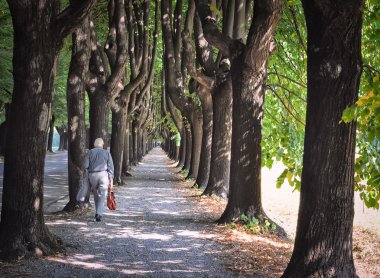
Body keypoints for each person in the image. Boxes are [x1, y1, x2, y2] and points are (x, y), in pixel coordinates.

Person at [83, 138, 114, 222]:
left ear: (94, 144)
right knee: (102, 194)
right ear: (102, 144)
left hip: (92, 175)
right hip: (103, 175)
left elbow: (85, 165)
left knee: (96, 194)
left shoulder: (89, 152)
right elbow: (111, 167)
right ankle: (99, 213)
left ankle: (97, 213)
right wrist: (111, 180)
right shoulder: (107, 153)